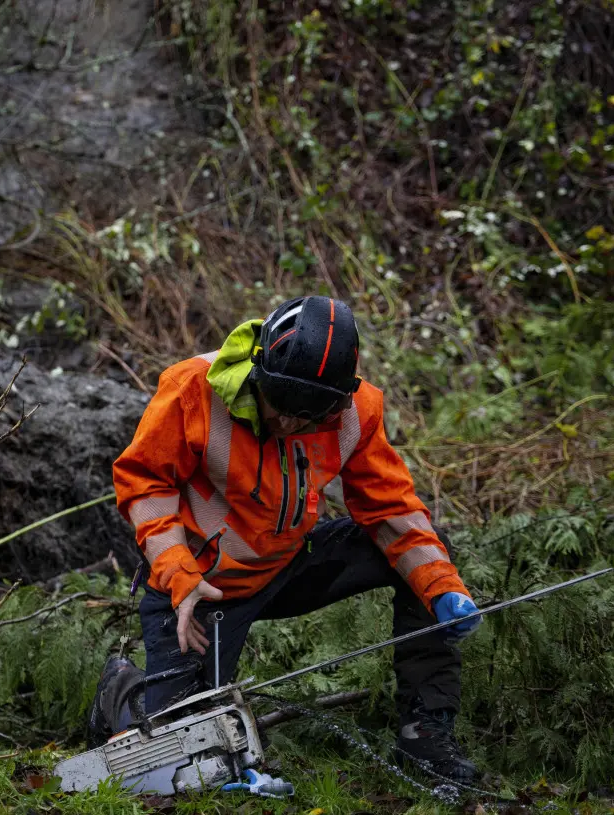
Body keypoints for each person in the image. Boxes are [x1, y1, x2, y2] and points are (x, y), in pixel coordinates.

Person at [88, 295, 482, 784]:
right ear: (260, 372)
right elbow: (145, 482)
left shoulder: (359, 411)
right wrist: (177, 574)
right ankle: (120, 692)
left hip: (291, 562)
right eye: (283, 407)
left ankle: (425, 739)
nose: (292, 423)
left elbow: (391, 508)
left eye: (309, 415)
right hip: (203, 587)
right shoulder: (192, 389)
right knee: (180, 753)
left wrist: (442, 587)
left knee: (425, 559)